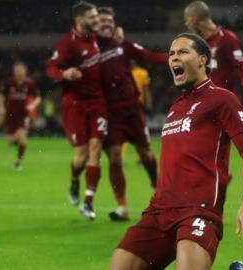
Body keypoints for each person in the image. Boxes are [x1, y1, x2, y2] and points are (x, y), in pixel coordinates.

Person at [109, 33, 243, 270]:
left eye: (182, 52)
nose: (173, 58)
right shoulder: (176, 107)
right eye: (171, 54)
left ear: (202, 60)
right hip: (158, 211)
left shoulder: (222, 99)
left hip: (197, 212)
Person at [96, 6, 168, 221]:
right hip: (110, 113)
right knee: (115, 157)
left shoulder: (121, 45)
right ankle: (122, 207)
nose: (107, 24)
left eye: (110, 20)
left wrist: (172, 57)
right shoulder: (89, 50)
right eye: (102, 21)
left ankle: (160, 194)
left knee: (145, 153)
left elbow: (146, 55)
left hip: (132, 108)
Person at [46, 1, 105, 220]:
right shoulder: (67, 44)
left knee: (95, 149)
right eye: (92, 17)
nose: (96, 21)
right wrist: (65, 74)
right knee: (81, 156)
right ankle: (74, 181)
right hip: (75, 105)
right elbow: (51, 68)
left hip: (97, 103)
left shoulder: (96, 39)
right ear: (79, 20)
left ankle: (88, 202)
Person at [184, 1, 243, 125]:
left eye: (187, 19)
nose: (186, 23)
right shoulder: (198, 44)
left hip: (223, 105)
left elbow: (242, 69)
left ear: (195, 18)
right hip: (203, 104)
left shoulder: (227, 38)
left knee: (221, 143)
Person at [0, 61, 41, 170]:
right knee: (10, 141)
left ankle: (18, 161)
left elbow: (38, 97)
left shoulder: (30, 83)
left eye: (21, 71)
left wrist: (32, 106)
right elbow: (1, 95)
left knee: (22, 139)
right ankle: (17, 141)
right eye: (16, 71)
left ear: (25, 71)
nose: (19, 73)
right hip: (10, 115)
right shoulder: (8, 83)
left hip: (23, 115)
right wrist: (1, 107)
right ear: (13, 72)